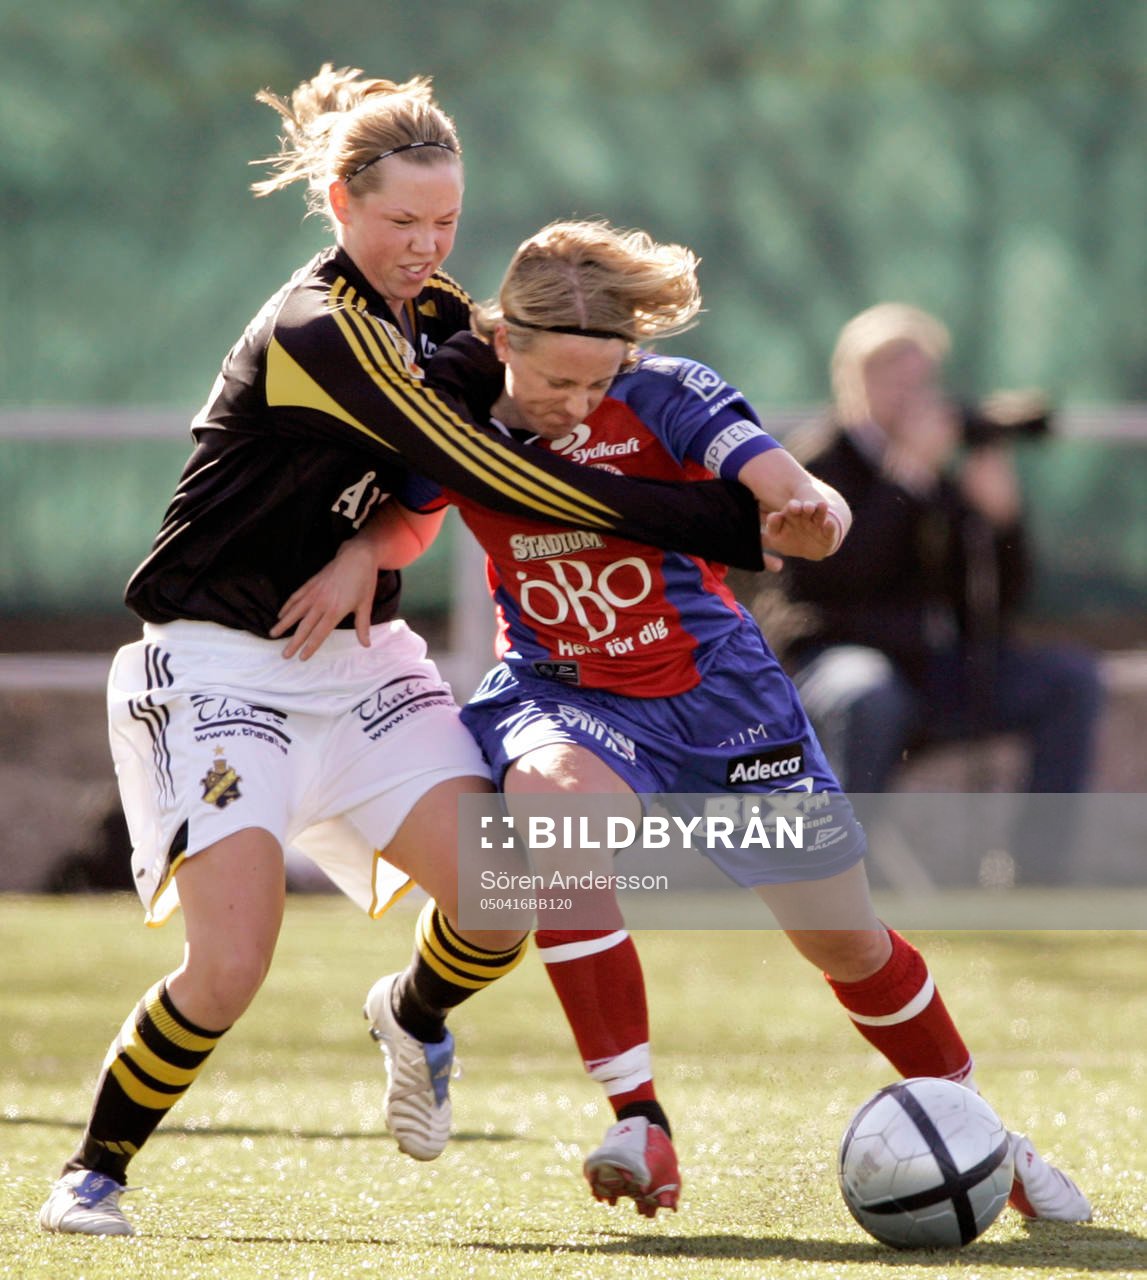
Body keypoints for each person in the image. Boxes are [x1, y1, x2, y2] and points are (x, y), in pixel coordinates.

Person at [37, 67, 772, 1240]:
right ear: (340, 203)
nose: (425, 246)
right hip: (220, 670)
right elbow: (482, 466)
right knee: (229, 967)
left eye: (445, 222)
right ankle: (94, 1170)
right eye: (401, 222)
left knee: (506, 891)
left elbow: (471, 454)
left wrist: (365, 550)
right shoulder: (316, 328)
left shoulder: (438, 319)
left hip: (360, 662)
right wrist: (728, 523)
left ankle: (414, 1012)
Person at [284, 222, 1092, 1225]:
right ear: (503, 341)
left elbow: (792, 489)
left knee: (847, 942)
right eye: (558, 381)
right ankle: (638, 1118)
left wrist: (813, 516)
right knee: (555, 811)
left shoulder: (670, 393)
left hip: (722, 702)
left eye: (599, 381)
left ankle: (991, 1141)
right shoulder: (454, 413)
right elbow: (410, 509)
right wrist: (364, 552)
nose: (579, 404)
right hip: (564, 691)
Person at [778, 303, 1104, 885]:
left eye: (920, 381)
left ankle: (1034, 874)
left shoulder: (937, 472)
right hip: (844, 663)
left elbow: (999, 597)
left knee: (1070, 680)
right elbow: (830, 580)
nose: (911, 397)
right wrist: (904, 483)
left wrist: (1002, 523)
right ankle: (837, 876)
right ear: (852, 381)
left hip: (939, 670)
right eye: (892, 380)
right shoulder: (815, 465)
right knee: (867, 692)